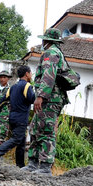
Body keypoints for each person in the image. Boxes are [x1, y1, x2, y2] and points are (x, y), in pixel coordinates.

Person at [22, 28, 70, 176]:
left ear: (46, 40)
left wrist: (41, 96)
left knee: (46, 131)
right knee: (35, 128)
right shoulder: (55, 52)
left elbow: (49, 76)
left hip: (50, 99)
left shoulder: (51, 53)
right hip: (50, 98)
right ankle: (33, 163)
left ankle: (45, 166)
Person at [0, 66, 35, 168]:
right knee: (16, 139)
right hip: (21, 118)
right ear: (27, 74)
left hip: (12, 118)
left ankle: (20, 165)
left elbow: (2, 101)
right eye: (31, 73)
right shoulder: (27, 86)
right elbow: (32, 99)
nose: (31, 75)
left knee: (21, 142)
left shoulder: (13, 87)